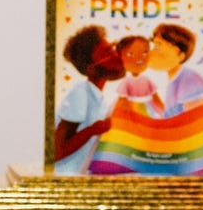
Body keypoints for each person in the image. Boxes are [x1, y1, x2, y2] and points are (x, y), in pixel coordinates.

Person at [51, 25, 125, 174]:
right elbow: (56, 151)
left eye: (113, 48)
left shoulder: (98, 99)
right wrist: (93, 130)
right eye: (108, 53)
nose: (118, 56)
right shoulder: (80, 94)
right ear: (92, 69)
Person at [147, 23, 203, 117]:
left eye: (158, 47)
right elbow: (172, 115)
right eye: (153, 46)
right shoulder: (175, 79)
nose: (151, 52)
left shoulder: (189, 80)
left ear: (180, 55)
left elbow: (199, 122)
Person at [114, 34, 160, 107]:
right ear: (121, 58)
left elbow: (155, 97)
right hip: (132, 108)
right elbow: (122, 99)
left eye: (144, 53)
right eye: (130, 54)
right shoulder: (126, 81)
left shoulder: (146, 79)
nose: (139, 59)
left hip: (148, 107)